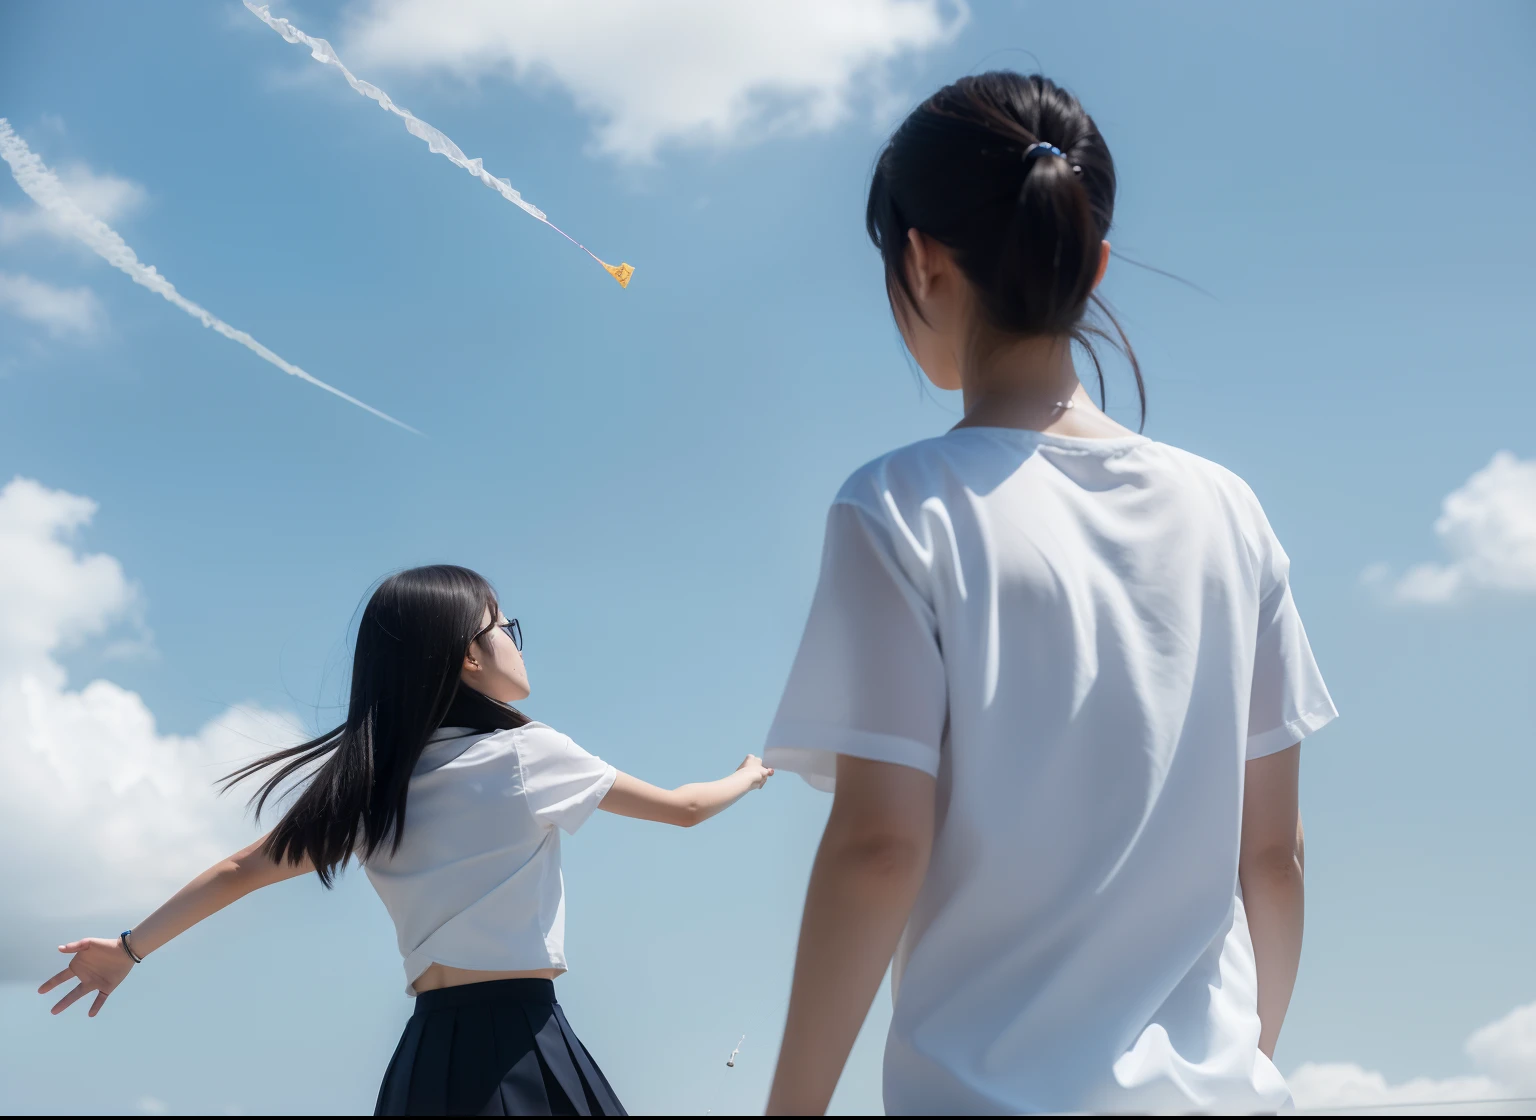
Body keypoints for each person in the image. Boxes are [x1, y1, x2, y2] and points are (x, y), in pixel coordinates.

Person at [763, 72, 1335, 1115]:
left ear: (920, 259)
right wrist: (1244, 1064)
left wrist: (788, 1106)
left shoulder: (899, 507)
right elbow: (1275, 853)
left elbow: (880, 843)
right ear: (1094, 259)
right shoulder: (1230, 511)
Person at [38, 564, 773, 1116]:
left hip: (427, 1054)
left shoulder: (370, 786)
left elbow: (241, 869)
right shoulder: (526, 754)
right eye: (504, 628)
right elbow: (683, 808)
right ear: (467, 657)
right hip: (522, 1038)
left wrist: (128, 950)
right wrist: (749, 774)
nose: (517, 643)